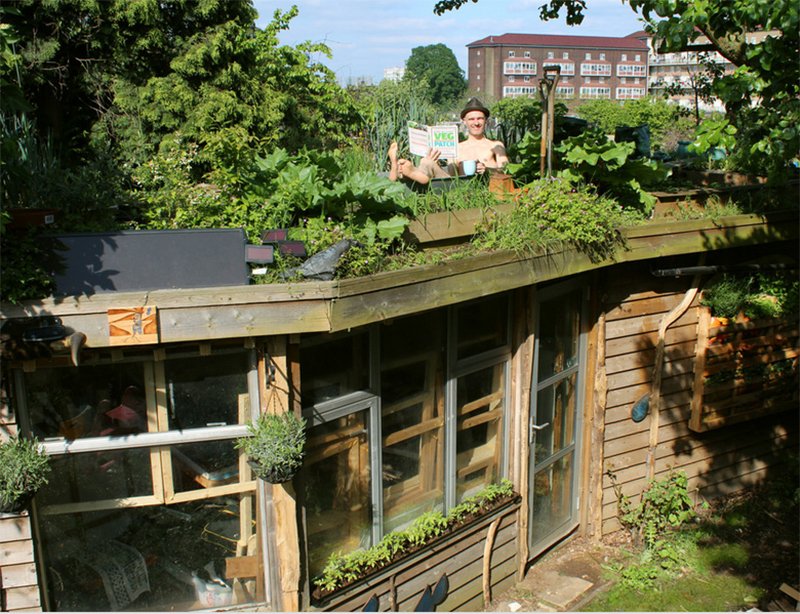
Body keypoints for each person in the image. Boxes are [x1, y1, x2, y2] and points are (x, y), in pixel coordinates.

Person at [387, 97, 509, 185]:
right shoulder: (457, 147)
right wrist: (435, 162)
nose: (476, 123)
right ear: (464, 121)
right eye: (471, 119)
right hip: (458, 187)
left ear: (486, 120)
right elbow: (452, 176)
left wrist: (487, 170)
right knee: (427, 161)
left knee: (424, 166)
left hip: (486, 186)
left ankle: (405, 171)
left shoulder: (495, 145)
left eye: (480, 119)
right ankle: (398, 168)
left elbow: (506, 170)